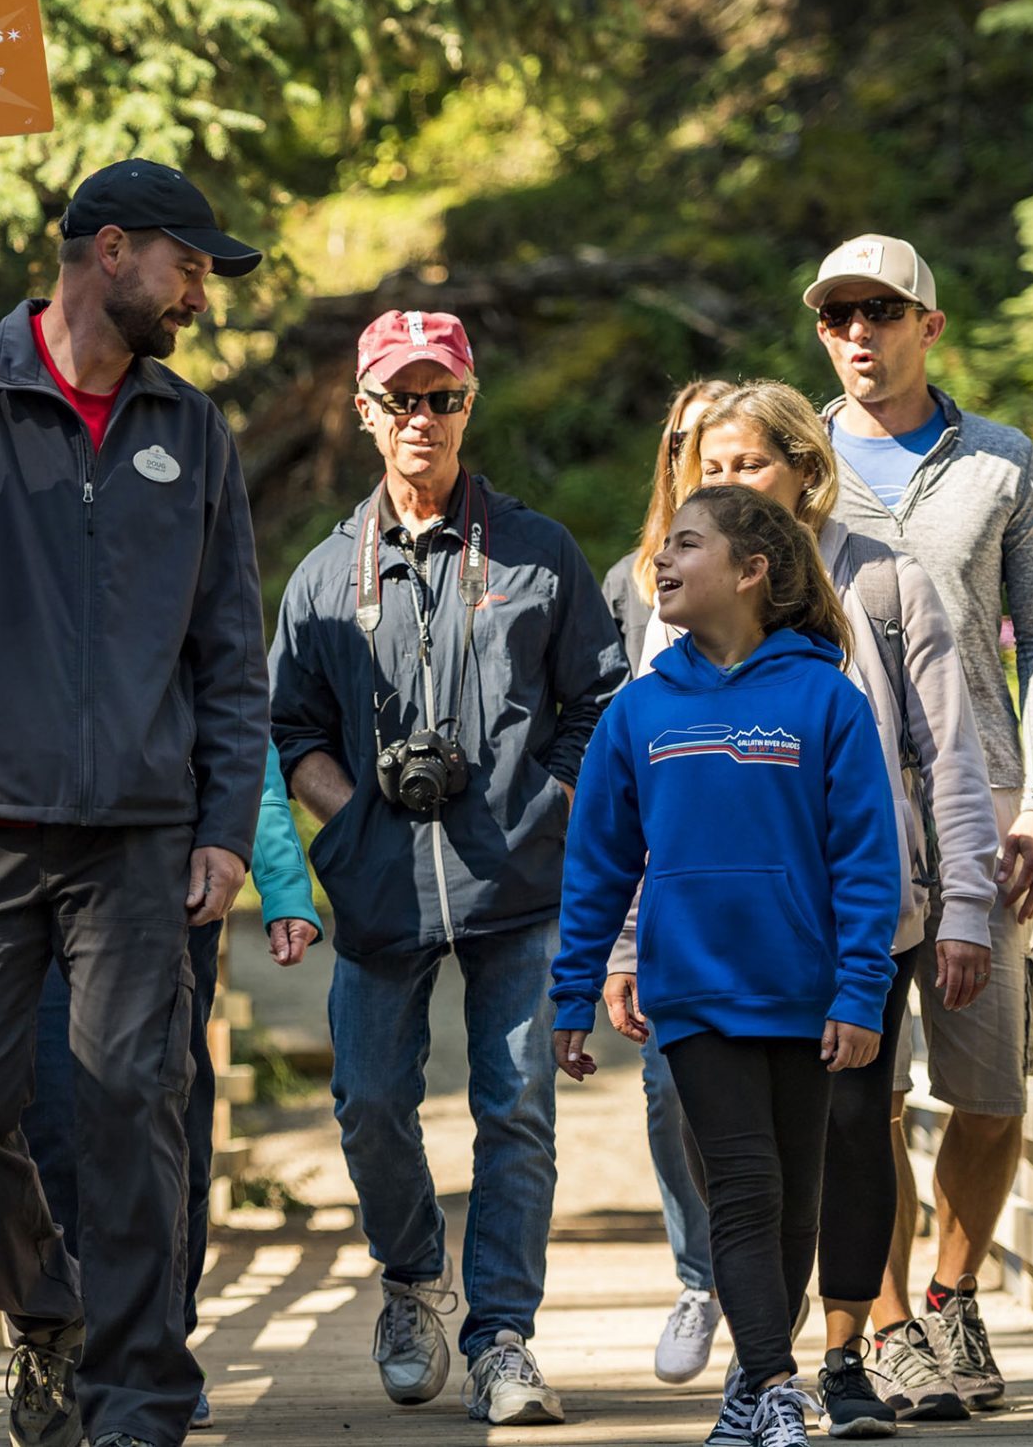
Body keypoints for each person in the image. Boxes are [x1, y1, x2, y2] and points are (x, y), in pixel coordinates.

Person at [0, 159, 272, 1447]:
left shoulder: (190, 433)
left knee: (136, 1107)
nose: (197, 294)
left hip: (136, 838)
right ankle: (46, 1308)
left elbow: (226, 656)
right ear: (111, 250)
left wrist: (225, 830)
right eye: (187, 266)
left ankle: (140, 1398)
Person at [615, 381, 1002, 1435]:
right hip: (724, 938)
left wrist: (965, 905)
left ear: (804, 467)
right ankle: (765, 1365)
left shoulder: (887, 583)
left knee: (851, 1129)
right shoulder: (674, 593)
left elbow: (948, 758)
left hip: (864, 917)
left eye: (748, 462)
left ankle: (839, 1361)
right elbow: (644, 786)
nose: (728, 482)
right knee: (742, 1159)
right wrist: (625, 939)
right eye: (711, 466)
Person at [267, 309, 625, 1429]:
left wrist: (544, 802)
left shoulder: (538, 552)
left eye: (442, 397)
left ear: (469, 407)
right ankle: (414, 1276)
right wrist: (355, 815)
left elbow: (601, 702)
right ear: (364, 412)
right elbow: (290, 732)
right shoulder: (325, 576)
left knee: (514, 1109)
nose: (421, 418)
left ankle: (503, 1338)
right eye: (399, 398)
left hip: (515, 883)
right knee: (372, 1106)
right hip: (378, 886)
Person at [551, 483, 902, 1447]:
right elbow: (599, 865)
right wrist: (574, 988)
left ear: (752, 572)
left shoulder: (825, 698)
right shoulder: (638, 711)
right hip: (695, 993)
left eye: (687, 545)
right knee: (745, 1186)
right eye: (663, 545)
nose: (661, 561)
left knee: (796, 1198)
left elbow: (869, 861)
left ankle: (751, 1388)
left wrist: (862, 987)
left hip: (805, 990)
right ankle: (780, 1384)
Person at [808, 235, 1033, 1414]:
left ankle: (959, 1300)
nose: (857, 333)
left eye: (881, 311)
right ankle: (898, 1323)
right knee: (863, 1096)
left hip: (981, 817)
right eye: (835, 316)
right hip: (840, 823)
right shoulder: (796, 461)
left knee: (989, 1090)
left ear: (931, 323)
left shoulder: (1000, 462)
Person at [22, 744, 323, 1431]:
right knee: (52, 1117)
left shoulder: (190, 634)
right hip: (39, 878)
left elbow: (249, 753)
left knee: (167, 1123)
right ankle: (65, 1334)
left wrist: (281, 883)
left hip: (176, 894)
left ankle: (157, 1347)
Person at [601, 377, 735, 1387]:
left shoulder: (798, 585)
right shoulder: (629, 590)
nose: (712, 467)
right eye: (694, 447)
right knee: (665, 1089)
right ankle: (701, 1276)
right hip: (671, 889)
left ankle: (782, 1304)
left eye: (730, 451)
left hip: (782, 885)